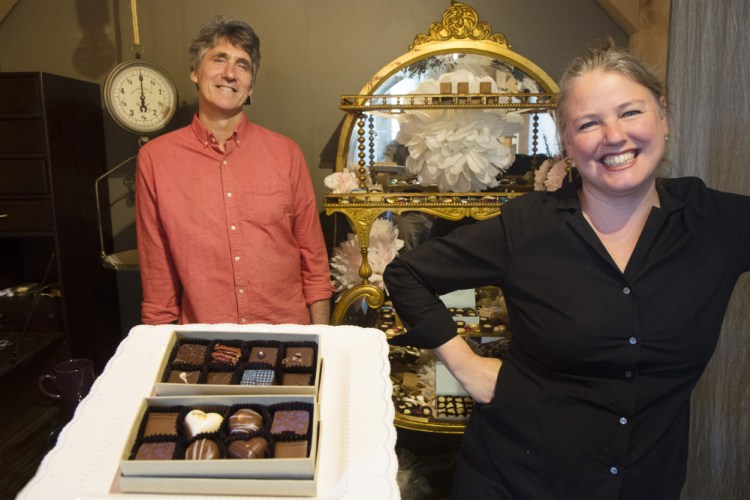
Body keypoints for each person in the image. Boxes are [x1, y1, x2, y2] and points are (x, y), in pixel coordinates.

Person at [383, 40, 750, 499]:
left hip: (644, 485)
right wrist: (468, 366)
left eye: (630, 112)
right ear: (569, 146)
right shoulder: (529, 226)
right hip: (516, 481)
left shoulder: (715, 224)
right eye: (589, 123)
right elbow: (406, 274)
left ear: (664, 117)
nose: (613, 136)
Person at [136, 16, 332, 326]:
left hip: (289, 340)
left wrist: (322, 341)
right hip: (206, 348)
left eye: (242, 65)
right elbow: (157, 276)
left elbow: (314, 260)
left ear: (251, 83)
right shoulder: (155, 160)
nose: (230, 73)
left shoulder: (286, 154)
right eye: (219, 59)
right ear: (195, 72)